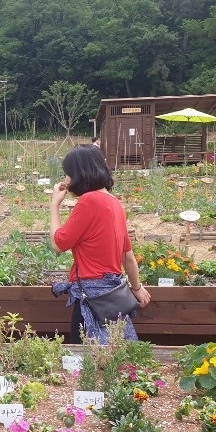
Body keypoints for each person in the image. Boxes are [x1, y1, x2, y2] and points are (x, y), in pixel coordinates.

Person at [49, 145, 150, 343]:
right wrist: (136, 288)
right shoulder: (114, 203)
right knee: (114, 356)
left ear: (79, 173)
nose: (66, 180)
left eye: (68, 174)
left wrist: (54, 205)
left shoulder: (89, 201)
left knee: (84, 359)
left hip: (91, 297)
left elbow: (58, 244)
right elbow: (128, 256)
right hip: (113, 296)